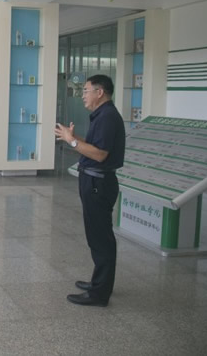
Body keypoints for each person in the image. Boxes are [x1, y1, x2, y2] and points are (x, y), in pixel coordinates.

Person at [55, 74, 125, 307]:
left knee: (101, 239)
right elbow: (95, 147)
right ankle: (99, 283)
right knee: (96, 237)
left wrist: (72, 142)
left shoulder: (108, 117)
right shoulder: (102, 115)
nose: (82, 95)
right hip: (94, 181)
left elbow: (100, 154)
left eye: (86, 90)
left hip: (99, 184)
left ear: (99, 92)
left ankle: (99, 294)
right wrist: (73, 138)